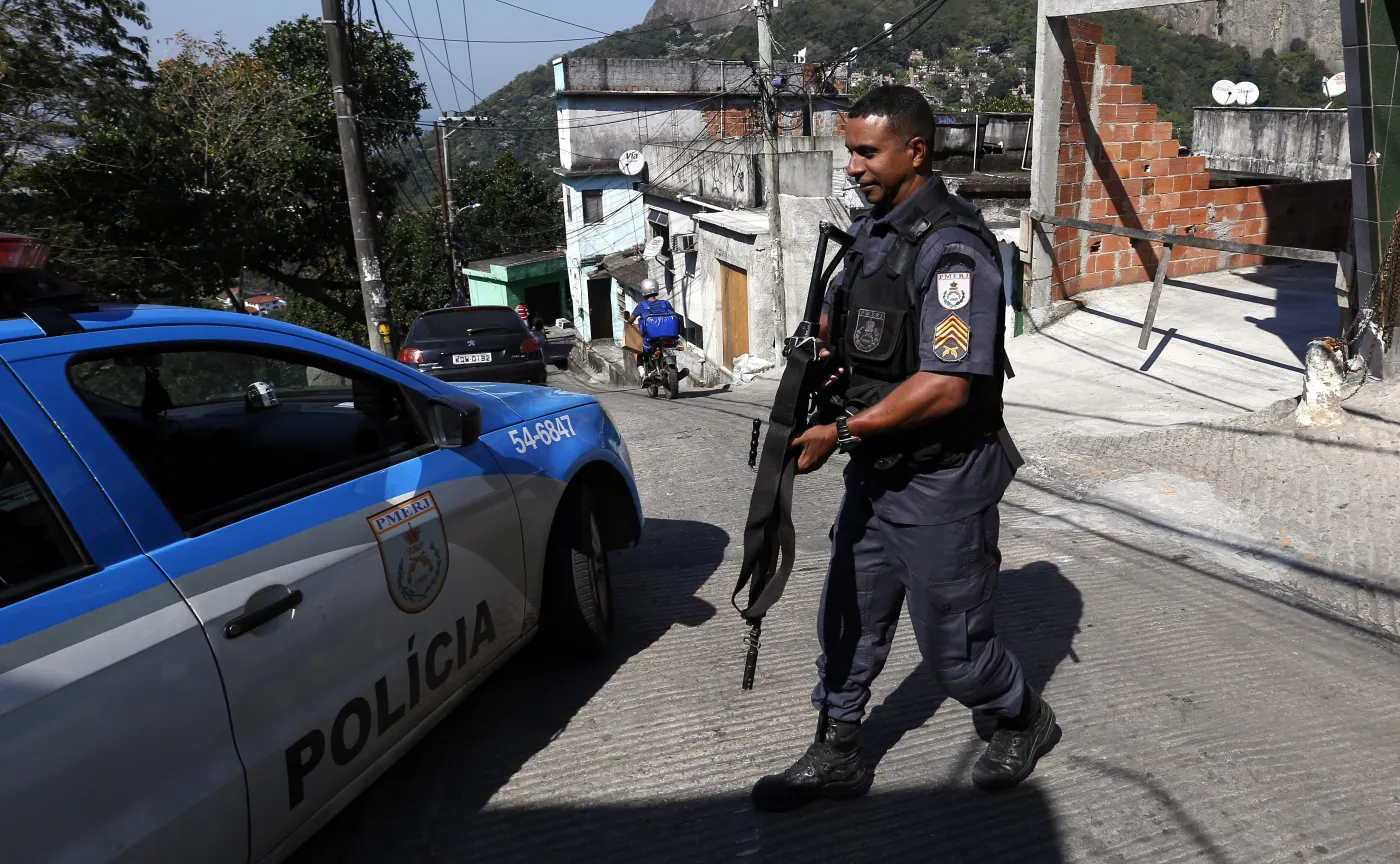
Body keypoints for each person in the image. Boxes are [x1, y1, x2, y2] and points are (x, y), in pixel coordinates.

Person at [749, 86, 1056, 812]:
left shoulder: (951, 250)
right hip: (879, 473)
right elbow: (868, 341)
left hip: (942, 478)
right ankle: (838, 752)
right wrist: (826, 366)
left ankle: (1020, 716)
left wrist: (844, 432)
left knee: (955, 652)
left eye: (865, 151)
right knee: (848, 616)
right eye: (847, 149)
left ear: (915, 151)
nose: (851, 166)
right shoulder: (874, 235)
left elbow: (948, 385)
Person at [624, 278, 676, 367]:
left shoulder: (641, 306)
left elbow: (631, 321)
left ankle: (642, 373)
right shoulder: (665, 303)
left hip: (650, 339)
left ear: (644, 290)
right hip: (668, 337)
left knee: (636, 349)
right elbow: (673, 314)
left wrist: (627, 323)